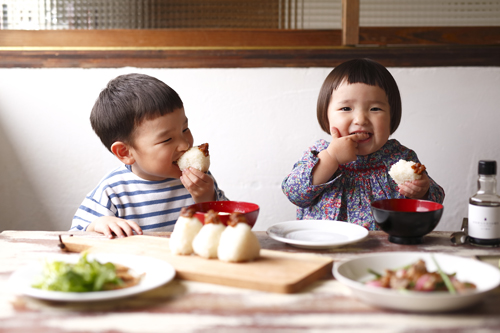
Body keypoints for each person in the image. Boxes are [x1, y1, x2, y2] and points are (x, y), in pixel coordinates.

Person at [281, 58, 445, 231]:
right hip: (326, 248)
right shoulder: (319, 153)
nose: (360, 120)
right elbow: (295, 193)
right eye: (346, 109)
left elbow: (435, 201)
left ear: (392, 117)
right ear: (326, 116)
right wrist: (331, 157)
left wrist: (423, 191)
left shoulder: (400, 158)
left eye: (375, 109)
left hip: (385, 251)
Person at [71, 73, 227, 237]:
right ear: (125, 152)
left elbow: (230, 231)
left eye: (185, 129)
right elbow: (73, 236)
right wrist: (98, 224)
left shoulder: (200, 181)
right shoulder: (112, 191)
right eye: (167, 139)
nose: (185, 145)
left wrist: (206, 200)